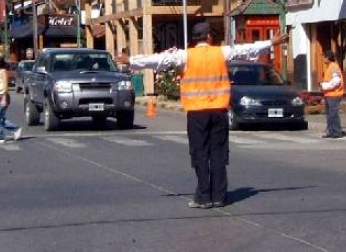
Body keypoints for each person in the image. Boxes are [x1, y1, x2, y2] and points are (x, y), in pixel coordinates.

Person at [119, 20, 288, 209]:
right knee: (218, 154)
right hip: (219, 111)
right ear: (209, 37)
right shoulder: (221, 52)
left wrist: (131, 61)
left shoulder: (185, 56)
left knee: (200, 154)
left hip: (196, 113)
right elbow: (246, 50)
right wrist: (271, 43)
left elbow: (158, 60)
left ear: (194, 39)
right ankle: (219, 196)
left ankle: (203, 196)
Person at [319, 50, 346, 138]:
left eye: (324, 57)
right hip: (329, 94)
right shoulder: (329, 67)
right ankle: (331, 131)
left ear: (328, 58)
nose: (323, 59)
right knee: (329, 114)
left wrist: (324, 86)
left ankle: (337, 132)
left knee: (333, 114)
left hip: (334, 94)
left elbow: (336, 82)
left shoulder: (334, 67)